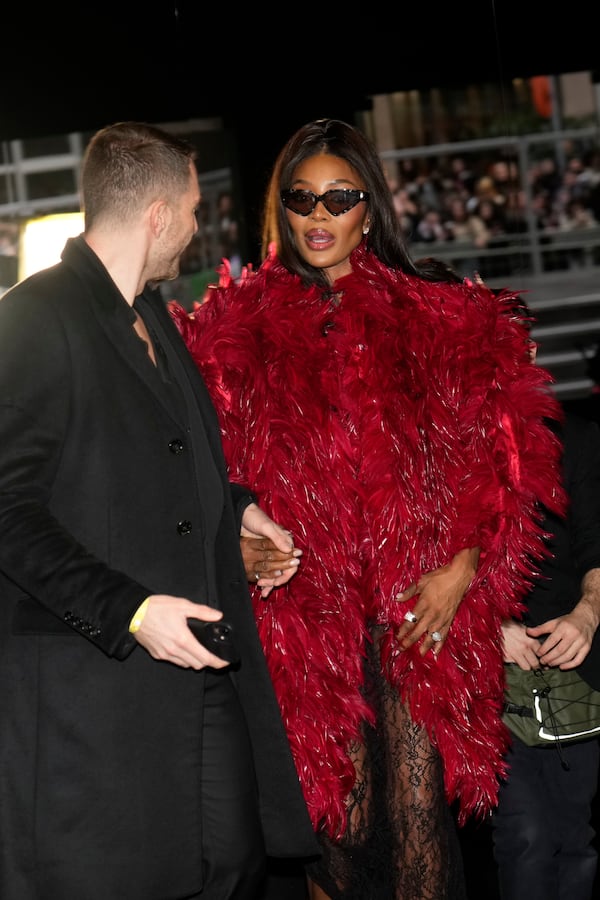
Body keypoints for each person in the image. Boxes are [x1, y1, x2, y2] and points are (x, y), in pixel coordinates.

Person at [169, 118, 566, 900]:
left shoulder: (443, 317)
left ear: (369, 208)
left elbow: (509, 463)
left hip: (416, 605)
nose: (319, 216)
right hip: (302, 610)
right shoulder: (228, 329)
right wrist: (236, 538)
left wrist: (462, 568)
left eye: (339, 198)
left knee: (417, 819)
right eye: (302, 198)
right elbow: (200, 471)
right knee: (337, 829)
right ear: (280, 208)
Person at [0, 120, 319, 900]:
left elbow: (161, 462)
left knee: (234, 870)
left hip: (197, 679)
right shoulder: (32, 319)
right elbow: (7, 510)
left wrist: (236, 507)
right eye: (192, 206)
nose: (198, 224)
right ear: (158, 215)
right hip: (91, 694)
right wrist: (133, 612)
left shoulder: (155, 318)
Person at [490, 334, 600, 899]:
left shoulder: (575, 436)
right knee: (526, 837)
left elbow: (595, 542)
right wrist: (489, 628)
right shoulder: (447, 444)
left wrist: (587, 614)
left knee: (574, 836)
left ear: (531, 352)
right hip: (485, 672)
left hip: (573, 667)